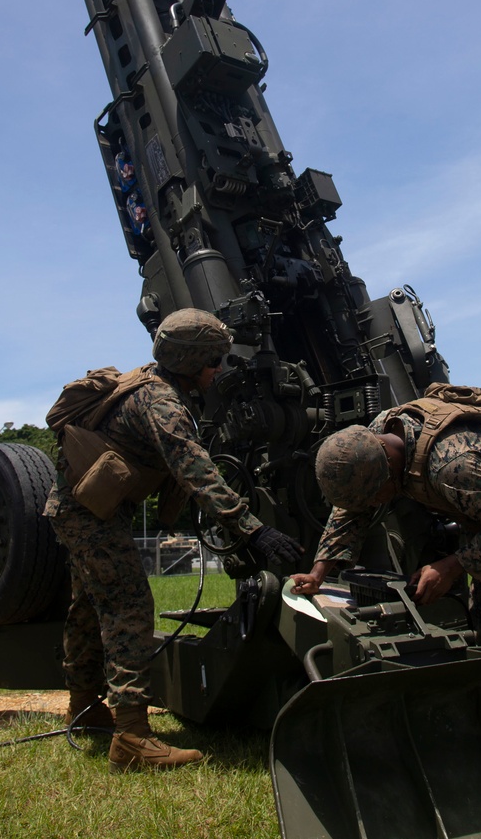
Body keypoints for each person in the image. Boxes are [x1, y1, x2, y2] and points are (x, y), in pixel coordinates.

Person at [43, 308, 301, 771]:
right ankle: (132, 736)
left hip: (81, 511)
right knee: (128, 605)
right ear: (188, 363)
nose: (218, 370)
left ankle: (84, 708)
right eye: (212, 361)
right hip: (89, 516)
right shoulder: (160, 402)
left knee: (87, 606)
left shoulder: (150, 383)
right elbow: (194, 469)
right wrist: (252, 529)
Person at [290, 390, 481, 723]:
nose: (373, 505)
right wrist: (319, 572)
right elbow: (350, 511)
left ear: (388, 465)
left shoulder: (451, 464)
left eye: (375, 497)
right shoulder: (373, 440)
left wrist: (450, 568)